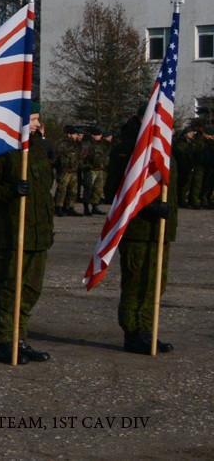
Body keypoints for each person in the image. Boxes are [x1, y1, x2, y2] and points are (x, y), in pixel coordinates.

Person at [0, 102, 54, 365]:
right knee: (10, 287)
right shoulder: (0, 148)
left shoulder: (39, 148)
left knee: (31, 289)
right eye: (32, 119)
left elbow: (45, 191)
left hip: (38, 232)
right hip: (11, 232)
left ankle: (19, 337)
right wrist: (10, 191)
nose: (36, 124)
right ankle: (5, 341)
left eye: (37, 119)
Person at [105, 112, 177, 354]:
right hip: (138, 231)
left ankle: (147, 330)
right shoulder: (129, 150)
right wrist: (149, 206)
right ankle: (133, 332)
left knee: (155, 284)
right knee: (136, 284)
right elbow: (115, 190)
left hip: (161, 231)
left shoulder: (164, 147)